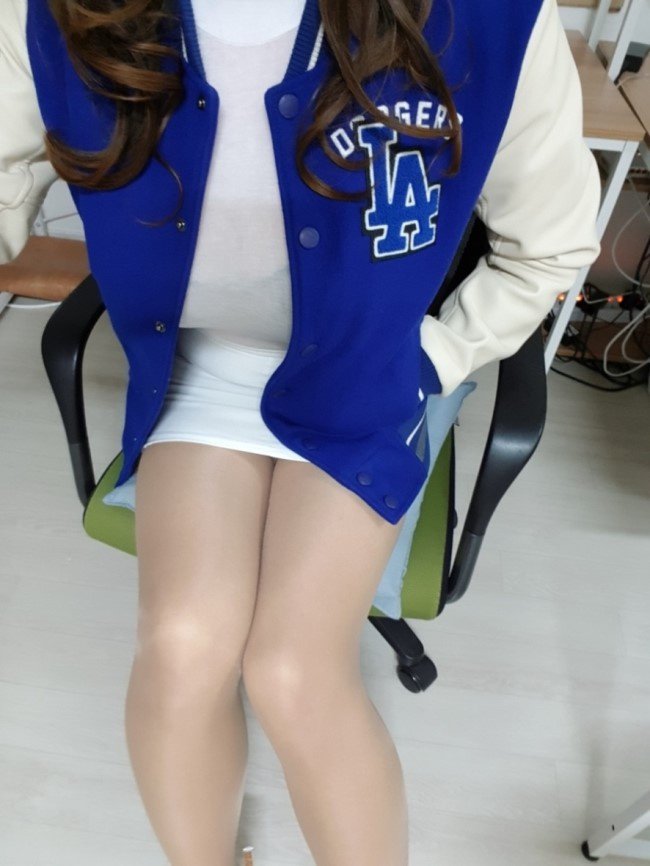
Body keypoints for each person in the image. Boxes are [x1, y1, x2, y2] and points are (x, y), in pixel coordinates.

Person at [0, 0, 601, 864]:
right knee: (182, 646)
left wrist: (436, 357)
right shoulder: (54, 15)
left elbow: (549, 248)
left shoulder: (494, 16)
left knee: (291, 669)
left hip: (369, 373)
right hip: (202, 367)